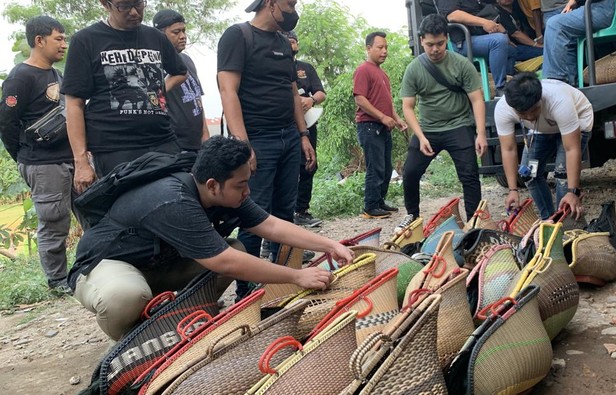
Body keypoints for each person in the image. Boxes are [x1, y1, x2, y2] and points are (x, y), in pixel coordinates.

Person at [69, 137, 352, 340]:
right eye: (241, 185)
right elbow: (225, 262)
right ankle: (136, 343)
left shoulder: (222, 192)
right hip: (106, 265)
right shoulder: (173, 200)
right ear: (213, 185)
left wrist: (330, 244)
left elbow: (272, 226)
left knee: (236, 246)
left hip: (156, 265)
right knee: (125, 296)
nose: (247, 192)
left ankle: (175, 323)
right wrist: (296, 276)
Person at [218, 0, 314, 299]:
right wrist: (244, 144)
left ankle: (282, 284)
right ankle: (245, 292)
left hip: (288, 137)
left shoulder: (283, 42)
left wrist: (303, 134)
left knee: (285, 212)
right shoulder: (238, 36)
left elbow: (291, 91)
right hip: (258, 139)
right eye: (289, 4)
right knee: (253, 215)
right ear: (271, 3)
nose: (293, 10)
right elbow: (227, 90)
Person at [62, 0, 188, 194]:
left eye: (139, 4)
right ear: (106, 4)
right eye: (124, 6)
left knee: (176, 201)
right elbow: (74, 103)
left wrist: (157, 91)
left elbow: (180, 72)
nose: (134, 12)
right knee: (128, 212)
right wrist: (81, 161)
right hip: (114, 147)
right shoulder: (86, 40)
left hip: (162, 141)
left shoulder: (155, 37)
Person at [0, 16, 73, 294]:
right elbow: (6, 123)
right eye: (59, 38)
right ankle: (57, 281)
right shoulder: (21, 77)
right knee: (54, 222)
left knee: (90, 212)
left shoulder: (57, 75)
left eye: (64, 39)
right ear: (39, 41)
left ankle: (87, 270)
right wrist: (23, 156)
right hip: (42, 163)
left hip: (69, 158)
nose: (64, 44)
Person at [397, 14, 487, 230]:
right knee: (410, 172)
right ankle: (412, 216)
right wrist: (420, 136)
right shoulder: (414, 69)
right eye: (429, 44)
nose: (435, 49)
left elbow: (477, 99)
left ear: (446, 39)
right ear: (421, 41)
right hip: (428, 131)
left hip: (459, 126)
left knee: (470, 176)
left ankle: (474, 222)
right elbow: (407, 107)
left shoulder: (462, 64)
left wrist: (481, 133)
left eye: (439, 44)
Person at [495, 72, 592, 219]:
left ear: (540, 99)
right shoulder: (503, 108)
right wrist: (512, 189)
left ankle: (565, 224)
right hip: (541, 128)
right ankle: (549, 219)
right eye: (523, 114)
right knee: (528, 174)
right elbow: (508, 149)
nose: (528, 117)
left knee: (563, 175)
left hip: (578, 119)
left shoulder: (559, 100)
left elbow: (571, 148)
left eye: (533, 110)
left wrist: (572, 191)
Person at [353, 31, 408, 219]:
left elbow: (387, 102)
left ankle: (379, 201)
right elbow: (360, 99)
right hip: (369, 126)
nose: (384, 51)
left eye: (386, 47)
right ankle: (370, 206)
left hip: (383, 127)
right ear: (368, 48)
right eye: (380, 47)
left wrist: (397, 119)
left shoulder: (382, 73)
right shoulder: (363, 70)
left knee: (385, 167)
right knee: (375, 167)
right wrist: (383, 117)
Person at [282, 30, 326, 228]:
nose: (292, 45)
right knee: (288, 169)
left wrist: (310, 100)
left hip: (308, 124)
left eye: (294, 41)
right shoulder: (277, 67)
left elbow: (320, 93)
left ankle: (302, 210)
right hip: (286, 126)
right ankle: (286, 214)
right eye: (288, 41)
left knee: (309, 165)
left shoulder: (306, 67)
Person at [153, 9, 209, 152]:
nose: (183, 36)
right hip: (173, 145)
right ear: (160, 35)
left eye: (184, 31)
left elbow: (197, 101)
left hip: (197, 144)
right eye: (176, 32)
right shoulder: (155, 66)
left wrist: (205, 135)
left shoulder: (187, 61)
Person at [435, 0, 512, 96]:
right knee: (498, 41)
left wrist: (498, 27)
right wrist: (484, 22)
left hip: (478, 36)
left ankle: (511, 84)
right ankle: (500, 88)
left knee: (512, 50)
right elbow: (453, 15)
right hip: (463, 41)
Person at [541, 0, 616, 85]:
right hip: (609, 7)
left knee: (554, 25)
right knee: (559, 28)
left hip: (607, 8)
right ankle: (571, 85)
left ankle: (555, 84)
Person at [496, 0, 544, 66]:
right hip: (513, 47)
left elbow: (522, 30)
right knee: (543, 52)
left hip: (523, 45)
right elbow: (516, 34)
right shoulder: (499, 13)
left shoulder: (516, 9)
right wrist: (537, 45)